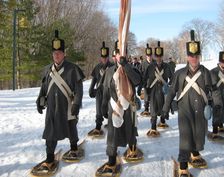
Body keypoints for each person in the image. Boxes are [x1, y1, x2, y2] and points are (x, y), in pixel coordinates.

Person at [162, 30, 221, 176]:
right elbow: (171, 92)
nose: (193, 58)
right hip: (185, 111)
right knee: (186, 136)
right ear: (187, 57)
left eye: (196, 56)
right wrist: (165, 108)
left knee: (198, 134)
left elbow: (214, 90)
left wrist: (218, 105)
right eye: (191, 56)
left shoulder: (207, 73)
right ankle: (183, 165)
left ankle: (195, 153)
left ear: (199, 56)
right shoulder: (179, 73)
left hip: (201, 111)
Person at [36, 30, 85, 173]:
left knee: (71, 128)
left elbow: (79, 90)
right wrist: (39, 101)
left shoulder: (73, 69)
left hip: (68, 107)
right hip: (52, 108)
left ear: (64, 54)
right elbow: (44, 88)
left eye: (59, 53)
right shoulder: (47, 70)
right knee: (50, 132)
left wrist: (76, 104)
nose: (56, 55)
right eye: (54, 53)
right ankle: (50, 157)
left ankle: (74, 148)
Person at [96, 42, 143, 176]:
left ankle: (132, 148)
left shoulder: (132, 69)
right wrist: (103, 107)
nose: (119, 56)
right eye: (117, 54)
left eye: (122, 54)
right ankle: (111, 160)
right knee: (112, 135)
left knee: (131, 131)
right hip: (114, 108)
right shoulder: (109, 71)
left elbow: (137, 81)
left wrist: (125, 66)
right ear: (114, 55)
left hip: (129, 109)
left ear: (126, 55)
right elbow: (105, 91)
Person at [144, 41, 172, 137]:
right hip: (153, 90)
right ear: (155, 57)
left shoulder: (167, 66)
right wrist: (144, 88)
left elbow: (172, 79)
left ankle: (163, 120)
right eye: (157, 57)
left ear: (162, 56)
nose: (159, 58)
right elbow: (144, 78)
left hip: (164, 91)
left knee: (163, 106)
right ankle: (153, 126)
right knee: (153, 108)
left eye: (160, 57)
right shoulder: (150, 67)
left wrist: (170, 87)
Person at [88, 41, 113, 137]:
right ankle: (98, 125)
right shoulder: (97, 67)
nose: (104, 59)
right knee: (98, 108)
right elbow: (94, 79)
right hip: (99, 90)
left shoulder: (112, 66)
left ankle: (111, 122)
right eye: (103, 57)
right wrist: (91, 89)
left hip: (109, 91)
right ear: (100, 57)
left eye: (106, 57)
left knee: (110, 108)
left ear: (108, 57)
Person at [137, 43, 153, 116]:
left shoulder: (155, 63)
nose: (149, 57)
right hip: (146, 83)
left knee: (153, 97)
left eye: (150, 56)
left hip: (154, 83)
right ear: (146, 56)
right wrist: (140, 86)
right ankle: (146, 109)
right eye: (148, 56)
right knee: (146, 97)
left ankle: (153, 110)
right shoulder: (142, 64)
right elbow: (139, 74)